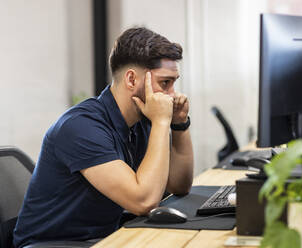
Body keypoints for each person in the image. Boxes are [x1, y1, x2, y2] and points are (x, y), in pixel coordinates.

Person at [13, 27, 194, 247]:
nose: (173, 94)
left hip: (101, 238)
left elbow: (179, 185)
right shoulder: (81, 127)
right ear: (131, 79)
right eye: (165, 83)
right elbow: (143, 201)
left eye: (174, 83)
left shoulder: (141, 122)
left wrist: (179, 124)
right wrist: (161, 122)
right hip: (54, 243)